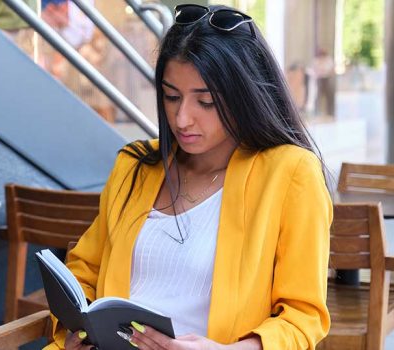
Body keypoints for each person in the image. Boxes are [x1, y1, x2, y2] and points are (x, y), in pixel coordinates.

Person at [45, 4, 332, 350]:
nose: (182, 119)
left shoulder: (290, 173)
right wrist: (76, 332)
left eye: (206, 102)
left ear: (245, 96)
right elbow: (84, 270)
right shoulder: (135, 165)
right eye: (171, 97)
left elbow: (303, 317)